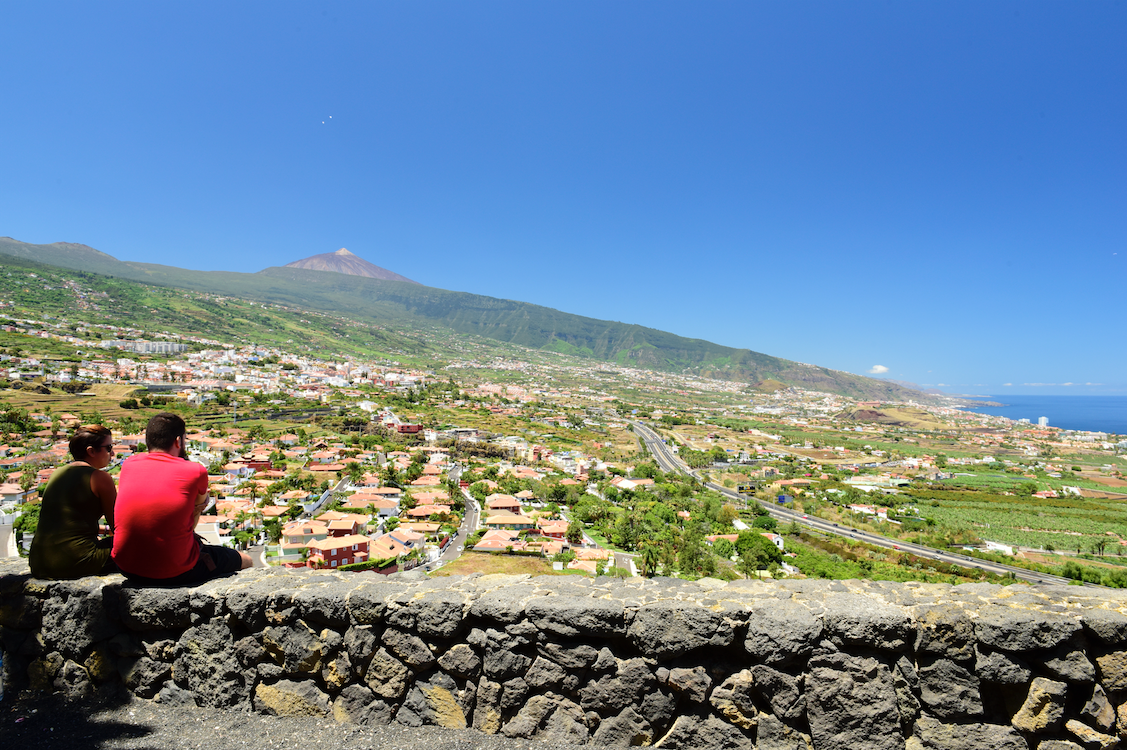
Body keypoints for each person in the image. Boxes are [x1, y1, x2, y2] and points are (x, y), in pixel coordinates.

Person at [112, 412, 251, 586]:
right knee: (245, 560)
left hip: (126, 567)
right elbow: (191, 525)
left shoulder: (129, 465)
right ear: (178, 441)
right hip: (176, 572)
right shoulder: (196, 471)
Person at [28, 425, 119, 579]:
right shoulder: (100, 478)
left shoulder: (58, 473)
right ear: (91, 451)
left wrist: (102, 531)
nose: (113, 453)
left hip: (39, 562)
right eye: (108, 447)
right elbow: (119, 527)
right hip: (74, 561)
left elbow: (70, 523)